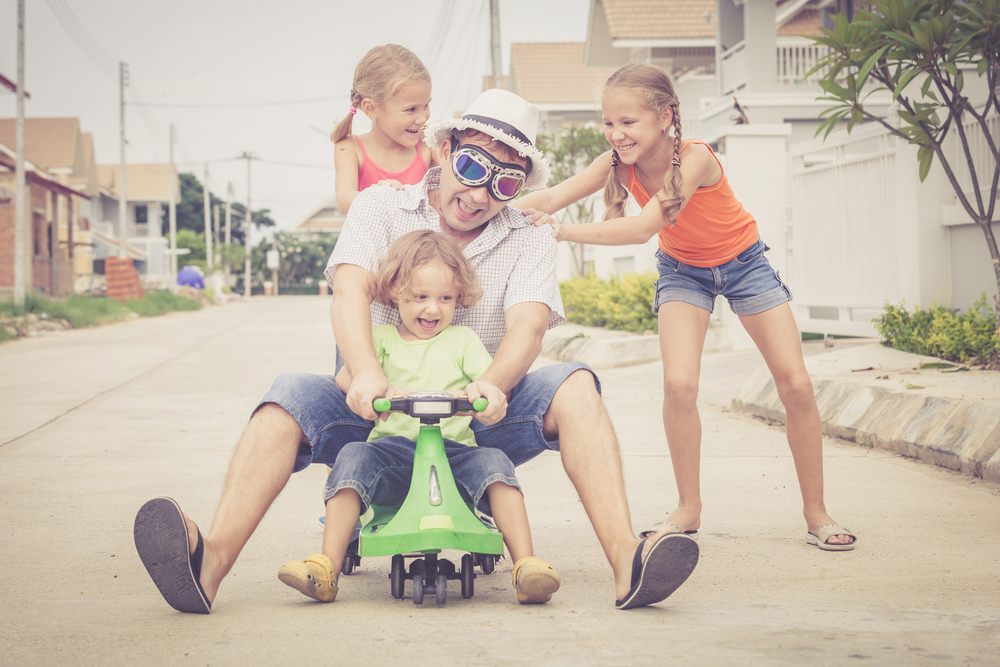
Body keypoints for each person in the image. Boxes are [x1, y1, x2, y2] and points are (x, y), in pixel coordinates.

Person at [133, 88, 699, 616]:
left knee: (575, 384)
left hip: (474, 419)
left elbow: (528, 327)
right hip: (377, 414)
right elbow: (349, 291)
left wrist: (492, 384)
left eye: (504, 184)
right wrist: (365, 374)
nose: (478, 195)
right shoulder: (381, 206)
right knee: (286, 396)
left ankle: (628, 561)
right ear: (445, 150)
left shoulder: (528, 233)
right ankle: (209, 563)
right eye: (471, 168)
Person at [518, 63, 857, 552]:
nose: (616, 133)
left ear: (665, 117)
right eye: (609, 122)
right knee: (678, 386)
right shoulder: (616, 164)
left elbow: (643, 227)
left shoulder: (695, 158)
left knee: (796, 384)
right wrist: (494, 206)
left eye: (628, 122)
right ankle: (688, 508)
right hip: (683, 272)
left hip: (744, 265)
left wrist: (564, 231)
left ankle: (817, 512)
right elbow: (553, 195)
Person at [277, 230, 560, 605]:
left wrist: (486, 398)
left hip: (453, 453)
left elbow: (488, 384)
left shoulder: (462, 341)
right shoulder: (382, 340)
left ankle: (526, 565)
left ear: (459, 297)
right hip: (392, 455)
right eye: (420, 297)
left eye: (445, 298)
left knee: (495, 462)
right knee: (352, 456)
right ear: (395, 293)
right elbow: (348, 378)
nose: (433, 309)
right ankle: (326, 565)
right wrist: (373, 386)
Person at [332, 44, 437, 214]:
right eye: (411, 109)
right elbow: (343, 199)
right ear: (371, 108)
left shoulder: (429, 142)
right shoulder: (349, 147)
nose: (423, 118)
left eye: (426, 105)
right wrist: (380, 196)